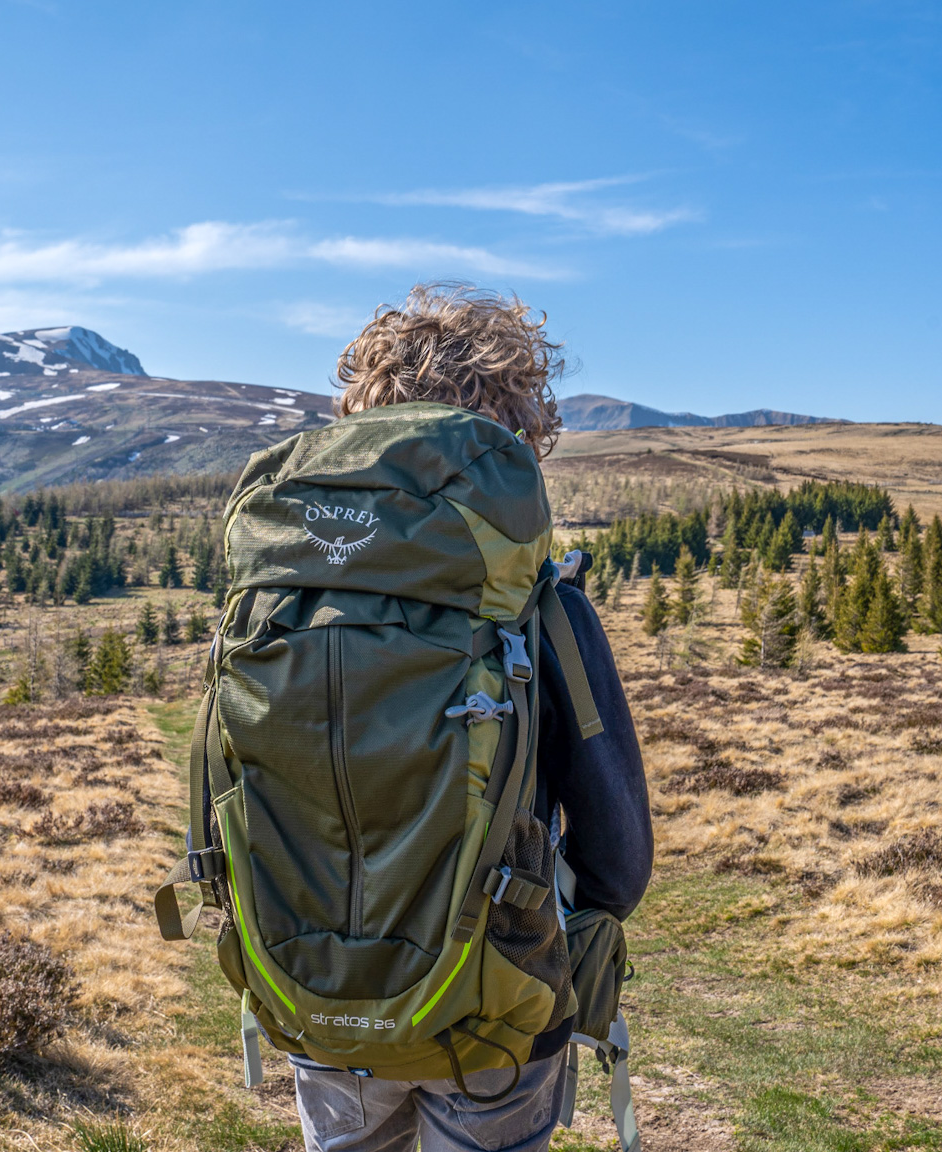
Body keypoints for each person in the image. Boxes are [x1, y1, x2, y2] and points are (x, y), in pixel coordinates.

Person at [288, 283, 653, 1152]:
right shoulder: (536, 604)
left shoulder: (296, 604)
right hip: (495, 1001)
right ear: (514, 434)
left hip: (316, 993)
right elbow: (618, 863)